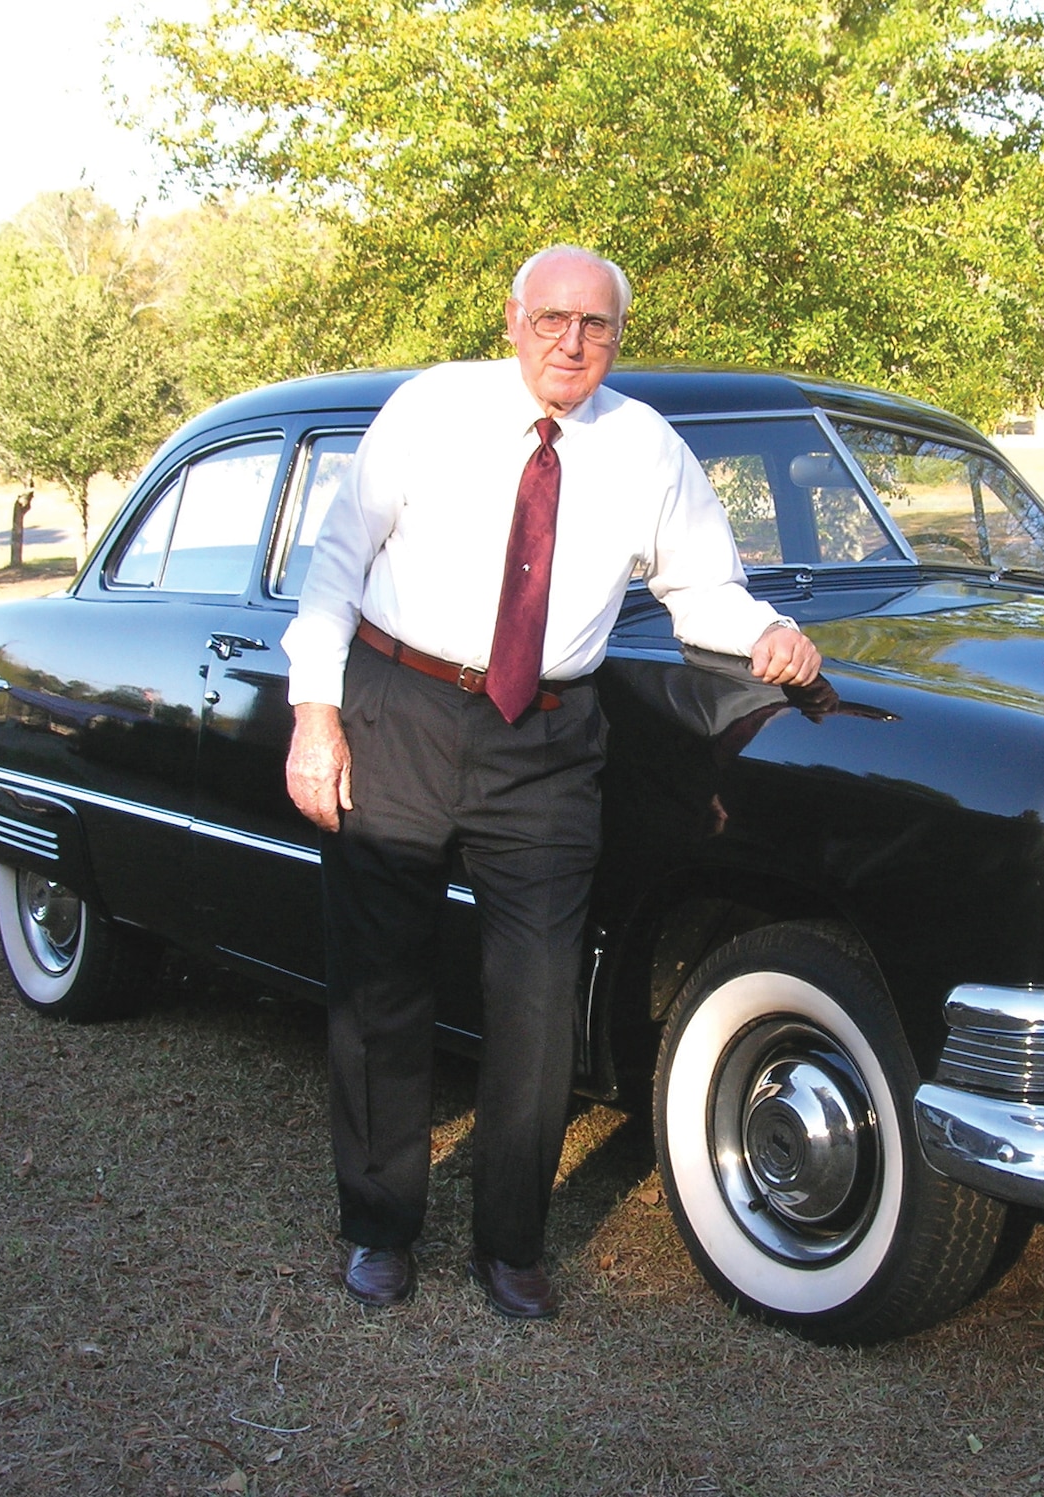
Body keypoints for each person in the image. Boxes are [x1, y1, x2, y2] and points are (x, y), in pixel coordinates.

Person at [281, 245, 822, 1319]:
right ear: (513, 317)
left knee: (535, 1001)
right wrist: (315, 715)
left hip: (547, 738)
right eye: (552, 320)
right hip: (401, 710)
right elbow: (335, 564)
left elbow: (699, 587)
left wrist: (768, 631)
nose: (572, 344)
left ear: (619, 335)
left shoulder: (646, 446)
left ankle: (510, 1247)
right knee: (382, 986)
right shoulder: (431, 409)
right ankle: (380, 1228)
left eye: (597, 327)